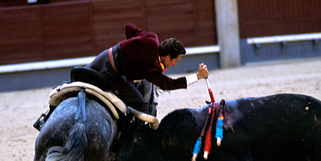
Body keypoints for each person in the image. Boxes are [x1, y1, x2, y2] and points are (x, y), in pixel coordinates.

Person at [34, 23, 209, 129]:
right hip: (112, 74)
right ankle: (132, 136)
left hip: (104, 56)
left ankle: (46, 119)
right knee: (140, 102)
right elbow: (167, 84)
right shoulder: (152, 67)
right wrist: (197, 77)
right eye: (175, 61)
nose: (175, 64)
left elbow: (130, 28)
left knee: (76, 83)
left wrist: (130, 48)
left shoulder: (151, 38)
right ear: (166, 57)